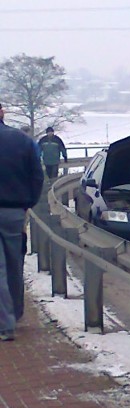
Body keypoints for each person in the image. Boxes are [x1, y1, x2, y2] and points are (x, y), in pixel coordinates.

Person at [0, 115, 45, 341]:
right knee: (14, 263)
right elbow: (37, 176)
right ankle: (15, 312)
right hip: (14, 212)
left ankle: (4, 323)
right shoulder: (23, 141)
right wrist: (28, 202)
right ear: (2, 113)